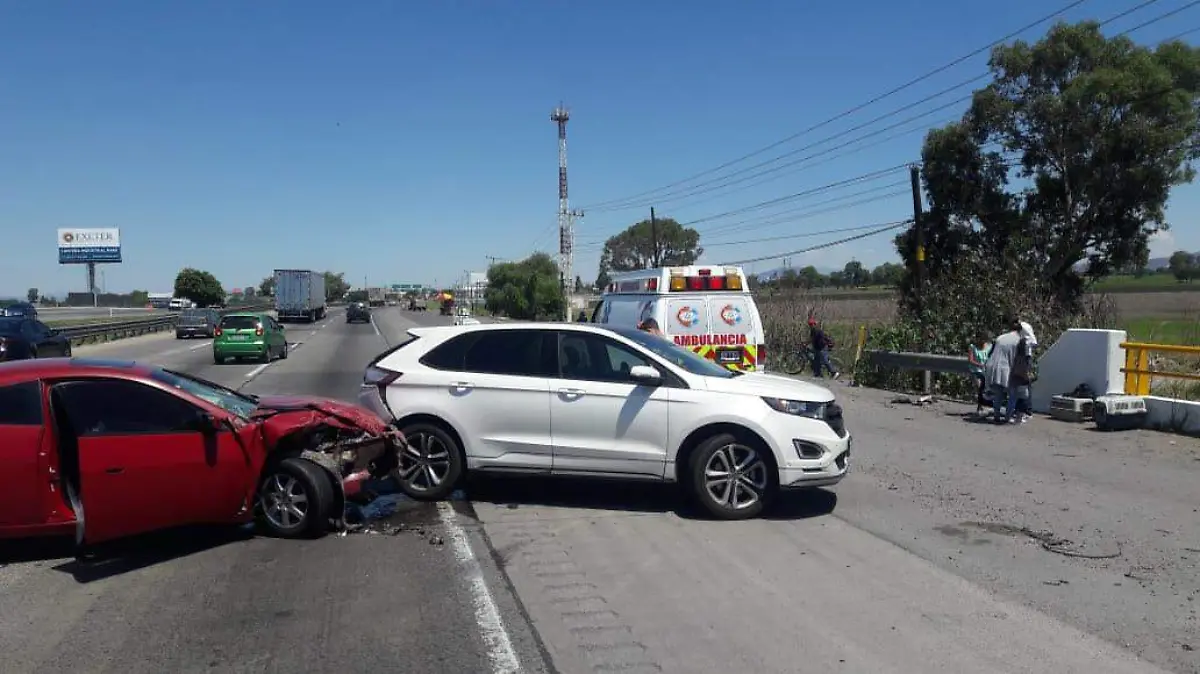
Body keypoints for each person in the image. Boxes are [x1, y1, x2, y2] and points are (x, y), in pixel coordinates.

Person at [983, 316, 1023, 424]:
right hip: (1006, 368)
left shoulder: (1000, 337)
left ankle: (996, 415)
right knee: (1013, 393)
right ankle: (1007, 417)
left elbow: (991, 352)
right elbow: (1018, 358)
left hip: (993, 365)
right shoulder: (1019, 340)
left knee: (998, 393)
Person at [967, 331, 991, 416]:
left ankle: (981, 406)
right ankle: (980, 405)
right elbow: (970, 360)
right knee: (979, 387)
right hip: (975, 370)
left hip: (986, 371)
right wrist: (980, 364)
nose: (981, 341)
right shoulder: (972, 347)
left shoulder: (989, 347)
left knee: (984, 389)